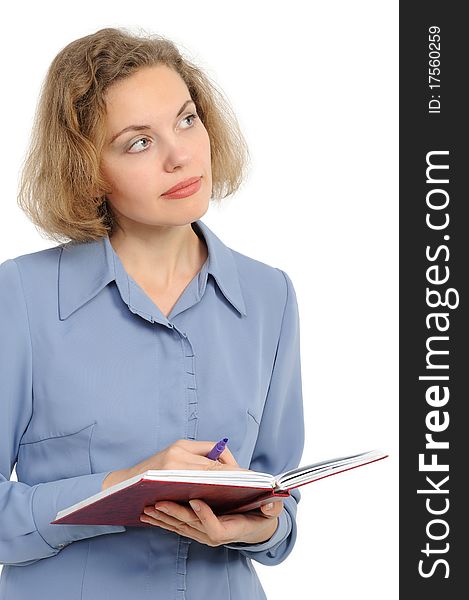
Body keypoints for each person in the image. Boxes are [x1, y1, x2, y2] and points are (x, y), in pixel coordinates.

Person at [0, 27, 304, 599]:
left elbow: (279, 494)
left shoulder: (271, 296)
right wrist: (126, 486)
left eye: (187, 120)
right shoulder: (19, 296)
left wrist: (261, 524)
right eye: (138, 142)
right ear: (87, 171)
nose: (180, 155)